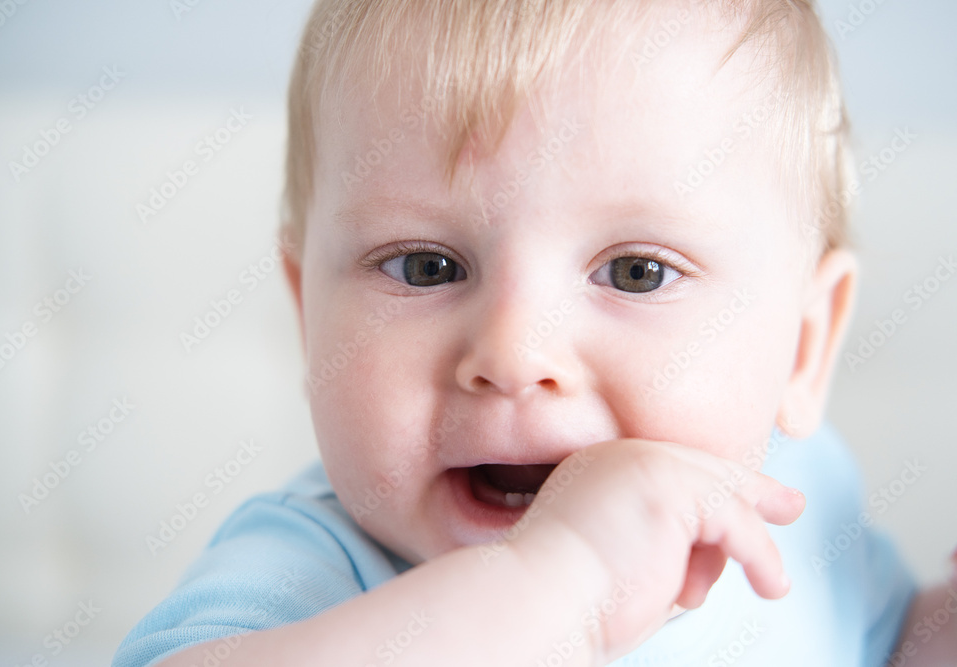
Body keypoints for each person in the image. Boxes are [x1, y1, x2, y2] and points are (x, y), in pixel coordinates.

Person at [113, 1, 957, 665]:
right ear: (309, 322)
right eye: (425, 266)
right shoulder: (314, 575)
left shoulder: (793, 505)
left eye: (637, 271)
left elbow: (876, 644)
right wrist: (556, 581)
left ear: (804, 348)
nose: (514, 354)